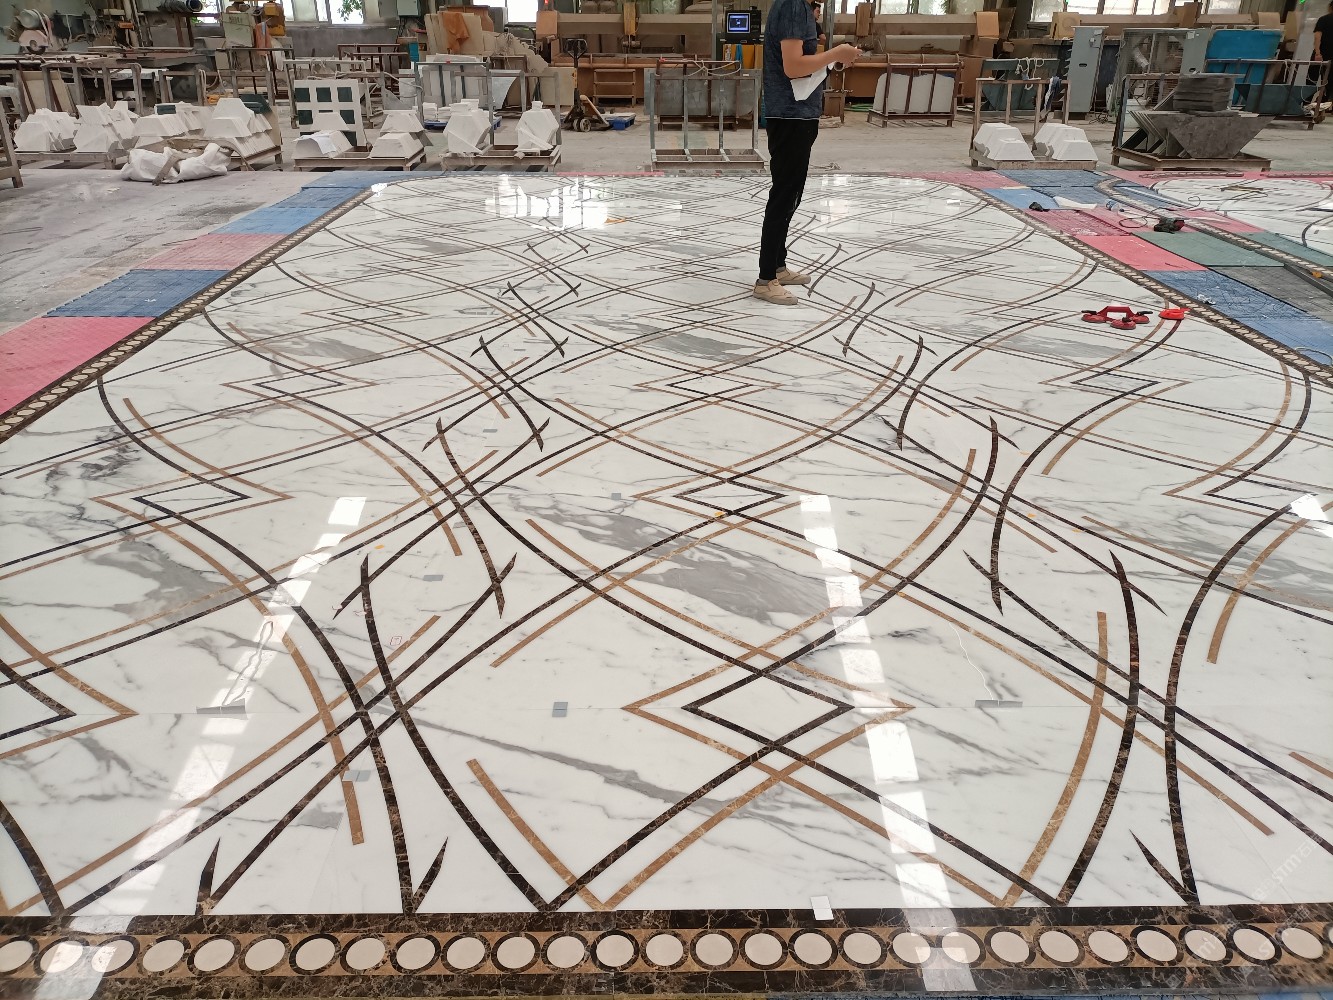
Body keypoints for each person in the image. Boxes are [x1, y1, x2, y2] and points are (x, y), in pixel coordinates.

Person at [754, 0, 861, 305]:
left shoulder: (798, 6)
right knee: (784, 195)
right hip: (789, 116)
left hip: (798, 113)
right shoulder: (792, 5)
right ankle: (766, 279)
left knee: (792, 194)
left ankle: (778, 265)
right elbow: (793, 66)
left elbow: (802, 62)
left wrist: (831, 60)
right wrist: (836, 53)